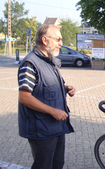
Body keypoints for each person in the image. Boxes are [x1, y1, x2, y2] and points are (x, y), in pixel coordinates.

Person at [18, 24, 75, 169]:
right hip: (41, 129)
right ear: (45, 40)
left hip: (56, 126)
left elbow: (45, 86)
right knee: (43, 166)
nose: (61, 43)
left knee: (57, 164)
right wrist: (52, 111)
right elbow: (24, 97)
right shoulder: (30, 63)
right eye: (58, 39)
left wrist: (65, 88)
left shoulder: (50, 61)